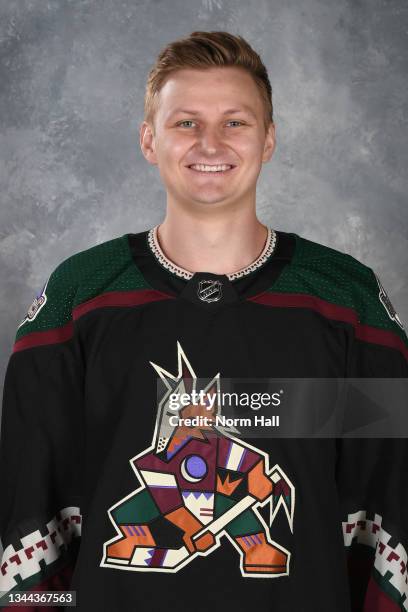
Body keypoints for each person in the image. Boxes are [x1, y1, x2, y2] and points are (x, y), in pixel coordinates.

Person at [0, 30, 407, 612]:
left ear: (268, 140)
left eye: (235, 122)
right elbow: (29, 507)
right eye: (185, 122)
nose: (210, 142)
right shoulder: (78, 298)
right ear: (148, 139)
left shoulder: (348, 301)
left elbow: (390, 498)